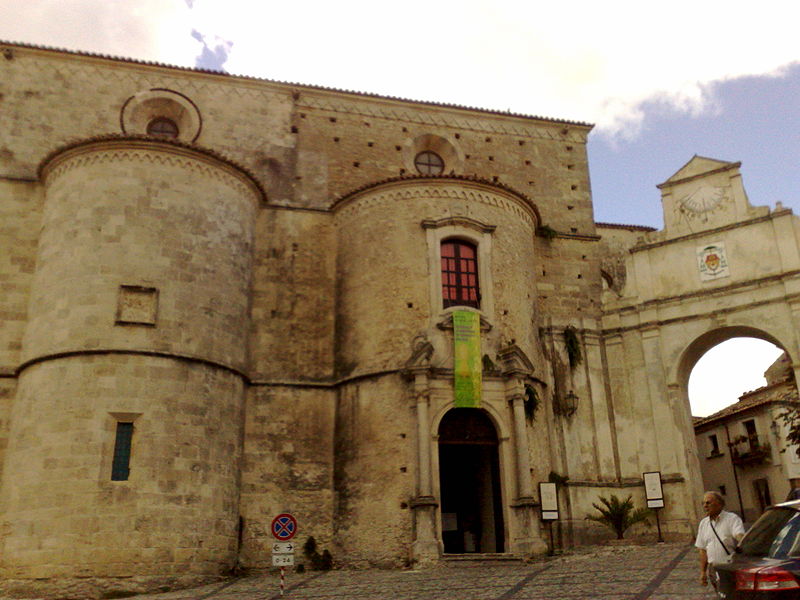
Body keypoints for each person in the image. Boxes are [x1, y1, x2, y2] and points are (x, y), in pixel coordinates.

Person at [696, 491, 745, 589]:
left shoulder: (732, 519)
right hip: (713, 569)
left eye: (708, 503)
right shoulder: (703, 523)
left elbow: (739, 535)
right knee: (720, 593)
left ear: (719, 504)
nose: (705, 506)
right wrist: (703, 572)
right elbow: (702, 550)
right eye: (703, 503)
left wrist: (742, 538)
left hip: (729, 567)